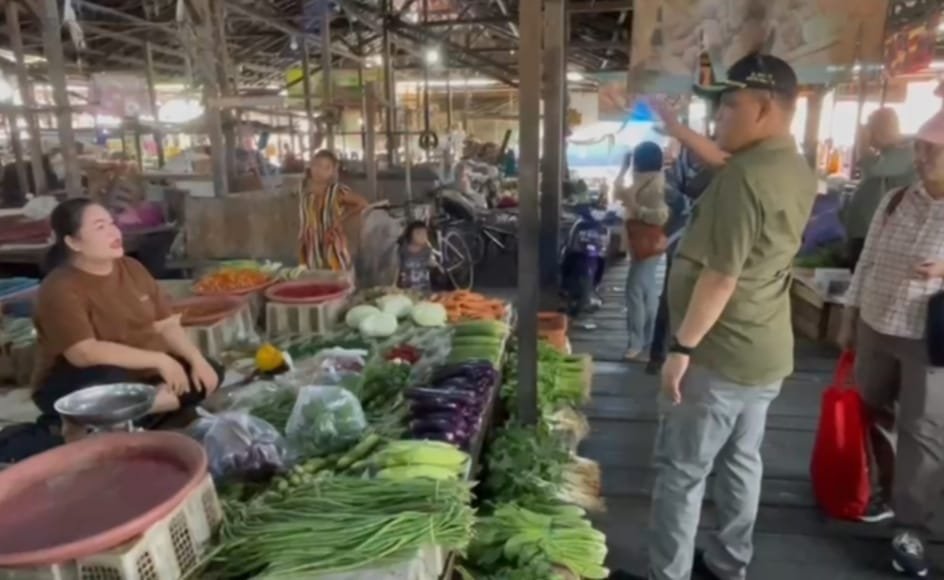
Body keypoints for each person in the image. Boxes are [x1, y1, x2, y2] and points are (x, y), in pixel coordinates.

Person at [649, 53, 816, 580]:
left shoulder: (745, 178)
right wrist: (676, 128)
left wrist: (681, 349)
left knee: (682, 471)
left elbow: (721, 277)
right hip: (763, 349)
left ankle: (668, 574)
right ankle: (729, 561)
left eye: (729, 105)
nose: (718, 116)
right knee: (742, 459)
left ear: (763, 108)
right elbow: (723, 158)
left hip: (718, 354)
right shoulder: (789, 164)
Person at [838, 110, 944, 579]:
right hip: (877, 323)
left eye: (933, 150)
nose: (921, 157)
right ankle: (882, 490)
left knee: (924, 430)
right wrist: (849, 316)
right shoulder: (897, 199)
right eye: (919, 147)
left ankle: (911, 527)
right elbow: (867, 262)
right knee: (872, 409)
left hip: (930, 337)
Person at [32, 198, 223, 441]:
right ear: (73, 242)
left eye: (112, 223)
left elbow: (166, 324)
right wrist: (161, 360)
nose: (114, 232)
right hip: (79, 379)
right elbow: (83, 353)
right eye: (100, 227)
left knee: (210, 372)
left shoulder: (132, 268)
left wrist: (196, 360)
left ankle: (121, 414)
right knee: (110, 379)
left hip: (138, 373)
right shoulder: (59, 288)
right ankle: (93, 415)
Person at [840, 108, 915, 270]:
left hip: (884, 234)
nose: (869, 134)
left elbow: (872, 168)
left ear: (882, 129)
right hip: (866, 232)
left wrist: (862, 145)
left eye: (871, 128)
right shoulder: (889, 153)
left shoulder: (909, 149)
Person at [619, 142, 669, 361]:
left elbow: (660, 216)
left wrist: (636, 209)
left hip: (648, 242)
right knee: (647, 290)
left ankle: (636, 343)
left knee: (634, 291)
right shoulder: (646, 178)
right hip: (643, 243)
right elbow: (619, 193)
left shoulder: (656, 184)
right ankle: (648, 340)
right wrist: (623, 170)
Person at [298, 149, 367, 272]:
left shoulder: (337, 191)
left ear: (332, 171)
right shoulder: (305, 193)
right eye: (316, 165)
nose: (319, 171)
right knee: (313, 279)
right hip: (311, 247)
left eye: (326, 167)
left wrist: (340, 220)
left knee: (336, 277)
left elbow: (363, 203)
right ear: (311, 167)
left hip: (332, 244)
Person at [397, 220, 434, 293]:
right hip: (407, 287)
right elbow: (398, 268)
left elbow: (430, 263)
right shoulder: (403, 250)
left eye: (425, 234)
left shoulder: (427, 250)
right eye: (418, 233)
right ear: (410, 235)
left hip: (423, 286)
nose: (422, 236)